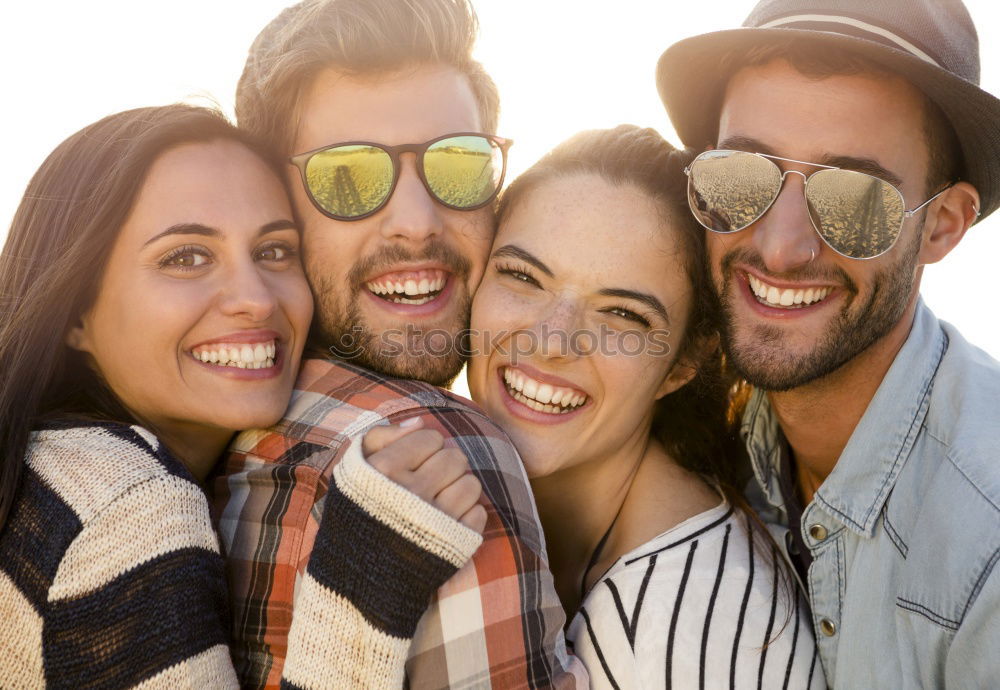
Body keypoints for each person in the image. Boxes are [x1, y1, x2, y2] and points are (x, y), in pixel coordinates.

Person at [0, 104, 479, 686]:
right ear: (76, 309)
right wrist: (363, 580)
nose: (254, 297)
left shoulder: (46, 471)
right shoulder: (128, 506)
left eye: (275, 250)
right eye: (186, 257)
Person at [211, 0, 586, 687]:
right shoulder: (439, 452)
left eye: (459, 165)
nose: (415, 222)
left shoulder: (208, 438)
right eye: (346, 176)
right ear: (273, 202)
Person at [656, 0, 1000, 686]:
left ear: (943, 226)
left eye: (854, 201)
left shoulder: (985, 553)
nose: (779, 249)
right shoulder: (692, 415)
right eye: (743, 174)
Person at [466, 124, 822, 688]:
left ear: (684, 362)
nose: (552, 341)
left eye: (624, 315)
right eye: (522, 276)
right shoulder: (465, 504)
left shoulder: (694, 621)